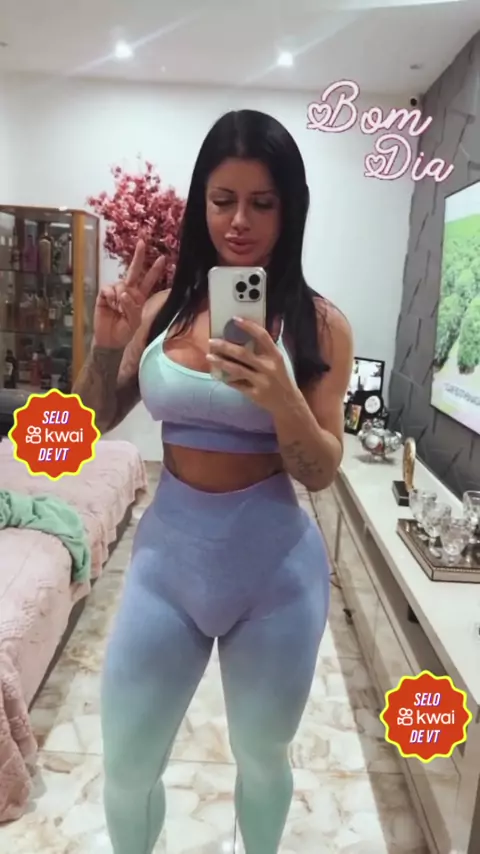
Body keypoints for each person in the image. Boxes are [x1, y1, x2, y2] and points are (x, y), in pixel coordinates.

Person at [73, 109, 353, 854]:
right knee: (127, 766)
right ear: (202, 202)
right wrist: (105, 345)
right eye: (223, 199)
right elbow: (95, 418)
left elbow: (322, 471)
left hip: (276, 579)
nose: (240, 222)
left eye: (262, 202)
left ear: (289, 209)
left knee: (262, 757)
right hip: (166, 569)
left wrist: (283, 398)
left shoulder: (320, 326)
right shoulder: (164, 311)